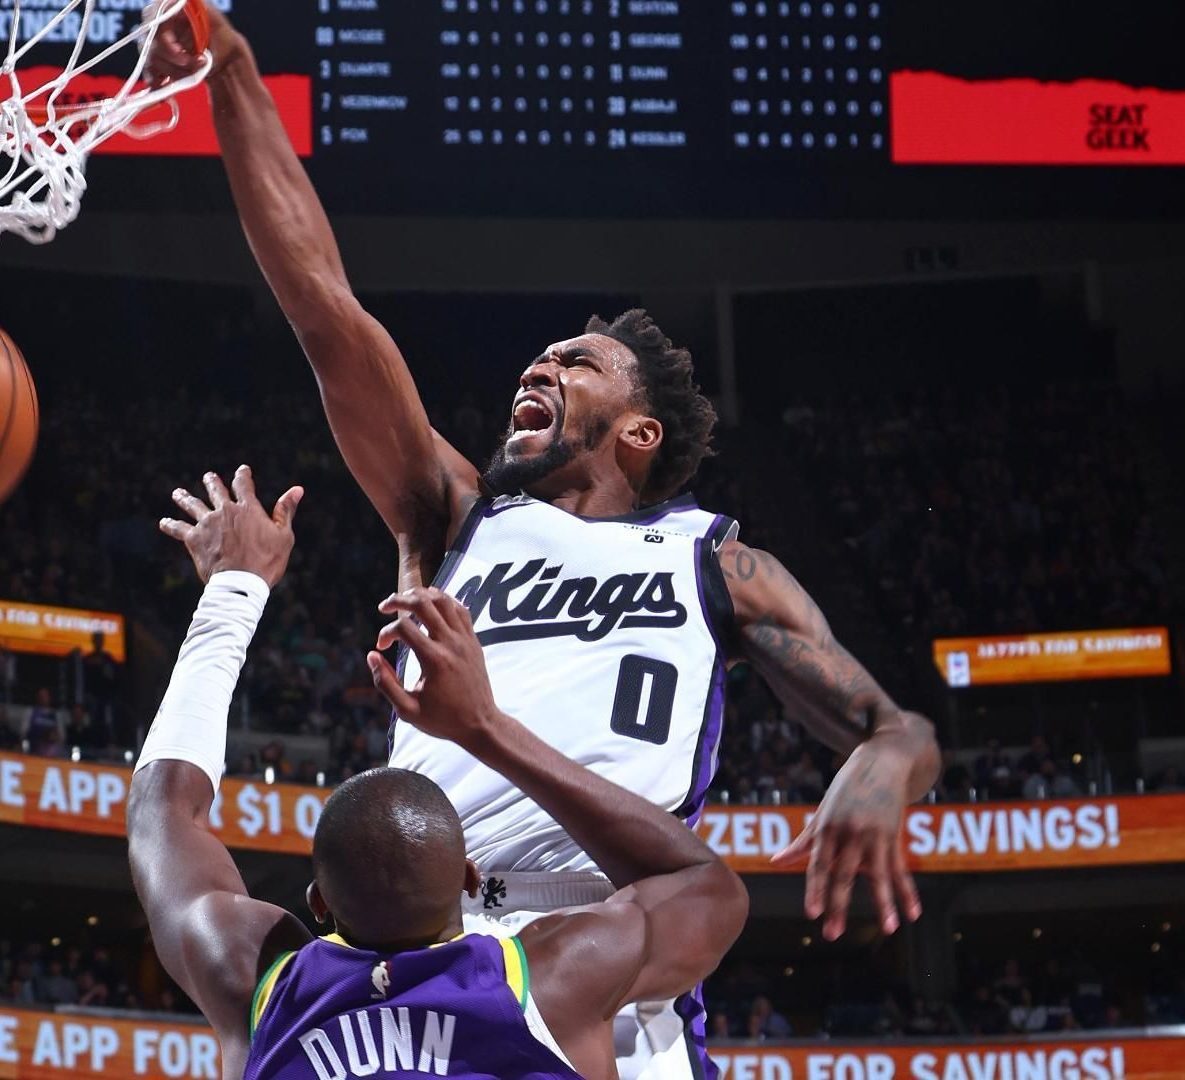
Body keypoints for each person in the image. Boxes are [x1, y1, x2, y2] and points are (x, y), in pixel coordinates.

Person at [146, 11, 940, 1078]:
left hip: (610, 952)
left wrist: (893, 760)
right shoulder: (456, 518)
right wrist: (234, 74)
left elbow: (894, 728)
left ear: (640, 432)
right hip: (431, 934)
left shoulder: (718, 565)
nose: (539, 367)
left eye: (574, 364)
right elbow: (327, 312)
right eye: (539, 358)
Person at [131, 467, 746, 1079]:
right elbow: (708, 886)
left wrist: (233, 591)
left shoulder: (259, 989)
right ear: (471, 879)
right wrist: (485, 728)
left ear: (318, 903)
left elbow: (161, 809)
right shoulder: (550, 985)